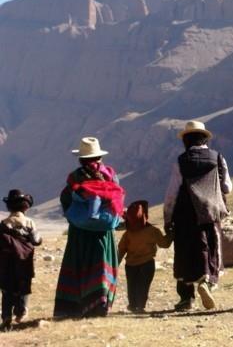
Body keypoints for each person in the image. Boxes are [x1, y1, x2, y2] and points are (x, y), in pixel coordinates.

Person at [164, 120, 231, 311]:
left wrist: (168, 218)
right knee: (210, 247)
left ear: (186, 140)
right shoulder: (217, 158)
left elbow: (172, 193)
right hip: (210, 213)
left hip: (185, 215)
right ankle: (207, 282)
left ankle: (186, 299)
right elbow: (227, 186)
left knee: (185, 253)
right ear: (204, 138)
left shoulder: (181, 161)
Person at [54, 137, 125, 318]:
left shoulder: (74, 177)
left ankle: (73, 307)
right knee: (101, 265)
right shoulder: (110, 175)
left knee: (80, 265)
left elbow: (66, 200)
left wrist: (77, 217)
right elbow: (117, 200)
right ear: (99, 157)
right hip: (103, 232)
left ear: (80, 159)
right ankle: (99, 303)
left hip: (80, 232)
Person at [118, 200, 172, 313]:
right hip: (147, 264)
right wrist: (171, 234)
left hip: (130, 265)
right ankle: (140, 306)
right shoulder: (152, 231)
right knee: (143, 285)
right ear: (145, 215)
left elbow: (121, 250)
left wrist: (115, 264)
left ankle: (133, 305)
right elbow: (164, 244)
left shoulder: (128, 234)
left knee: (132, 286)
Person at [0, 190, 42, 330]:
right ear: (25, 207)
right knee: (23, 287)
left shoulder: (3, 224)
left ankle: (6, 316)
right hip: (24, 261)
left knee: (7, 290)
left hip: (6, 263)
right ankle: (20, 312)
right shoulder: (29, 223)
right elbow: (36, 241)